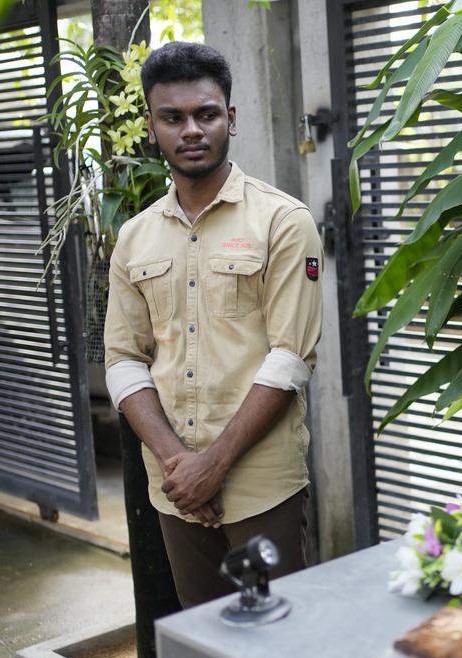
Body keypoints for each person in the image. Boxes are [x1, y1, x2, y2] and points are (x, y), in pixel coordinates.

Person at [103, 41, 323, 608]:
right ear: (151, 126)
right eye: (173, 117)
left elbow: (290, 357)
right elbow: (124, 360)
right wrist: (180, 464)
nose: (191, 130)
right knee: (203, 644)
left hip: (260, 488)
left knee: (280, 642)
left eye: (206, 113)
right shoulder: (135, 237)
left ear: (232, 117)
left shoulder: (282, 221)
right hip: (175, 489)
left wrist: (214, 464)